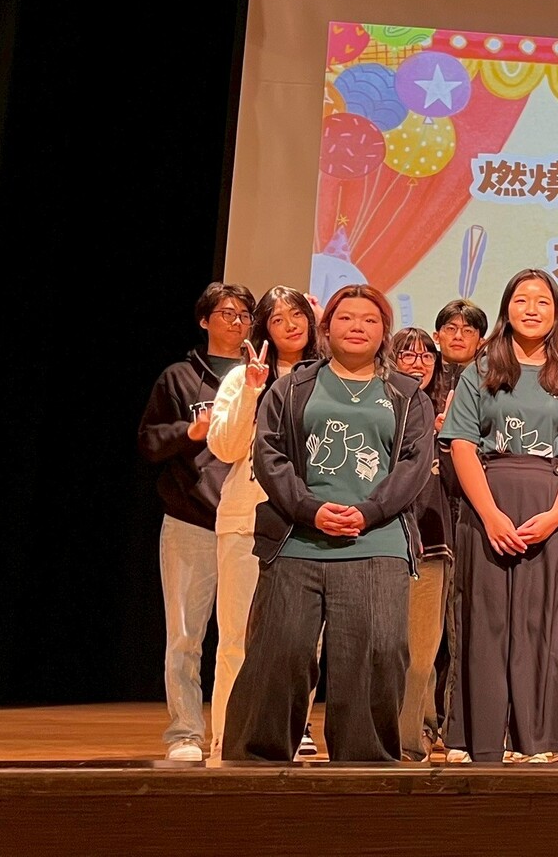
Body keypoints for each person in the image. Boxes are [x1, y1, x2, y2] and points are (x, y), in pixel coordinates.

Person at [224, 284, 434, 762]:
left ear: (384, 331)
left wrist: (369, 511)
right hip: (297, 540)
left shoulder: (406, 395)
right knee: (279, 653)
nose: (357, 326)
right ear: (327, 327)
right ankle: (255, 764)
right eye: (346, 317)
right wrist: (309, 509)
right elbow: (269, 452)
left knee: (376, 656)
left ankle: (364, 768)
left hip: (376, 542)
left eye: (369, 319)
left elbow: (414, 464)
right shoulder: (292, 387)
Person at [444, 270, 558, 763]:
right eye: (522, 300)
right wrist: (490, 515)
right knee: (484, 622)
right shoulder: (480, 371)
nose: (532, 309)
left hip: (552, 507)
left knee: (545, 625)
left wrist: (554, 517)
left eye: (543, 302)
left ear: (556, 314)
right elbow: (462, 445)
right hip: (488, 505)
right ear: (507, 308)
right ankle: (478, 738)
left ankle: (542, 740)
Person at [136, 281, 254, 761]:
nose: (237, 322)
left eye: (245, 315)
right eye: (227, 313)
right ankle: (185, 732)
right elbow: (149, 441)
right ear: (205, 320)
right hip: (191, 518)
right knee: (185, 635)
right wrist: (191, 430)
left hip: (246, 520)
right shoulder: (180, 377)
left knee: (244, 636)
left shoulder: (260, 376)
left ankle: (237, 728)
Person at [207, 284, 320, 759]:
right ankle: (226, 737)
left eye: (297, 315)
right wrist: (253, 391)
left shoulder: (330, 377)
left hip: (310, 524)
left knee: (303, 643)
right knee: (237, 638)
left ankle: (291, 736)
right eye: (277, 319)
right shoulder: (243, 377)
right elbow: (225, 448)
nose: (290, 325)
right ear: (264, 330)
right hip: (246, 519)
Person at [388, 327, 451, 761]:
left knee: (424, 650)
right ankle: (400, 735)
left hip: (433, 542)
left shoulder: (448, 411)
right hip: (384, 538)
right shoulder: (378, 406)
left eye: (427, 356)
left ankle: (413, 737)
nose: (418, 363)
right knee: (389, 647)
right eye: (407, 355)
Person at [427, 297, 487, 755]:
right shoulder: (419, 384)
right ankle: (422, 721)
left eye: (469, 329)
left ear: (481, 340)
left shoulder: (491, 383)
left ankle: (456, 724)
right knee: (423, 630)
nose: (459, 335)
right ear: (438, 335)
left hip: (472, 512)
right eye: (451, 328)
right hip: (426, 516)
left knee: (463, 626)